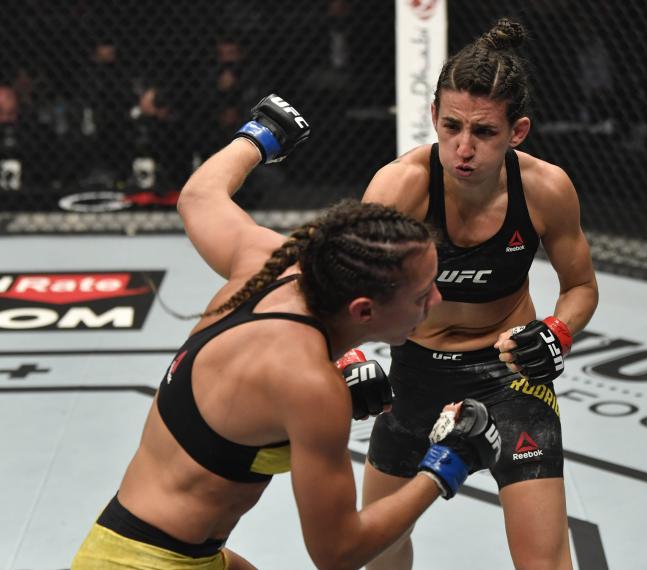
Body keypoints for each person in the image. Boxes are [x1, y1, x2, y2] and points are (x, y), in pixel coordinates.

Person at [72, 94, 501, 569]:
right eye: (422, 296)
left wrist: (261, 135)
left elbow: (199, 196)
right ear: (363, 310)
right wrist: (447, 464)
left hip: (155, 546)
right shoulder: (310, 385)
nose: (437, 302)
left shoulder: (269, 263)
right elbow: (337, 554)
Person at [358, 18, 599, 570]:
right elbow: (331, 287)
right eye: (451, 127)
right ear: (434, 119)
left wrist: (557, 332)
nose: (463, 148)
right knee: (375, 553)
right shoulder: (400, 187)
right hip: (415, 376)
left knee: (545, 563)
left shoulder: (545, 189)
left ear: (517, 131)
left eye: (484, 132)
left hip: (510, 377)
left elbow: (581, 287)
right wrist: (347, 355)